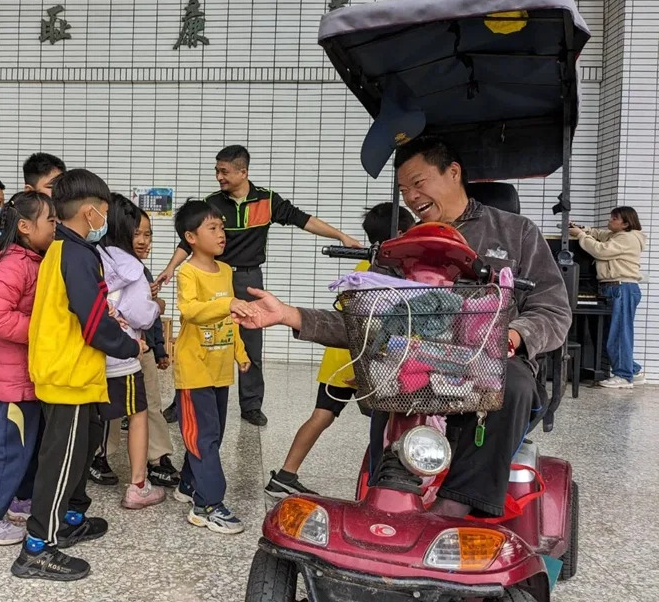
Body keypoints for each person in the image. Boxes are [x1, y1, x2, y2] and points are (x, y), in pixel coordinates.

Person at [236, 135, 571, 520]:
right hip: (415, 358)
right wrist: (288, 314)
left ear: (453, 172)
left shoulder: (516, 233)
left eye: (418, 182)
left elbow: (552, 308)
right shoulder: (400, 247)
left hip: (491, 359)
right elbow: (367, 320)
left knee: (510, 383)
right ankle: (390, 486)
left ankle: (459, 500)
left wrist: (513, 336)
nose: (411, 197)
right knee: (383, 371)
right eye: (403, 189)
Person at [156, 145, 361, 427]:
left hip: (250, 278)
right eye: (217, 171)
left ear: (243, 172)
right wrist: (171, 267)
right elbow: (187, 241)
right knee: (200, 338)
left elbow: (304, 220)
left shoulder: (267, 201)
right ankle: (181, 403)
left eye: (224, 171)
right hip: (216, 276)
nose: (218, 177)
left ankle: (251, 405)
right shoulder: (213, 202)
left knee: (251, 342)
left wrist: (341, 236)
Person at [12, 169, 145, 581]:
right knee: (61, 459)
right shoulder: (76, 254)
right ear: (90, 213)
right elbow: (91, 320)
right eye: (103, 212)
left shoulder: (65, 248)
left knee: (80, 451)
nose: (105, 221)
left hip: (78, 373)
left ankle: (68, 518)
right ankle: (37, 546)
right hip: (67, 375)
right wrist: (128, 345)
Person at [265, 202, 415, 498]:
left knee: (324, 414)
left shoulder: (367, 266)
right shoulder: (381, 272)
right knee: (371, 420)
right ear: (399, 234)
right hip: (354, 357)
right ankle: (385, 483)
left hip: (343, 356)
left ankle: (285, 475)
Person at [0, 192, 57, 545]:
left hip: (27, 373)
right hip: (13, 377)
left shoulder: (31, 259)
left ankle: (18, 500)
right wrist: (41, 329)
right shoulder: (16, 264)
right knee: (8, 449)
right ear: (24, 226)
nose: (55, 227)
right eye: (50, 221)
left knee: (25, 446)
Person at [171, 199, 256, 534]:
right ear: (191, 237)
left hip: (220, 368)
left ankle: (187, 484)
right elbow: (190, 311)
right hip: (194, 370)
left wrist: (241, 351)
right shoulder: (187, 272)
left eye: (221, 227)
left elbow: (231, 320)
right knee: (202, 436)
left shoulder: (226, 270)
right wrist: (227, 302)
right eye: (213, 228)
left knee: (214, 435)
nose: (222, 234)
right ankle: (207, 505)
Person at [92, 208, 180, 488]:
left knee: (150, 402)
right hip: (114, 349)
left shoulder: (139, 268)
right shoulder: (102, 263)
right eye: (136, 233)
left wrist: (159, 348)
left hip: (142, 349)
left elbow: (147, 318)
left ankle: (158, 458)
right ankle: (100, 455)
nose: (143, 240)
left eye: (148, 234)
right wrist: (158, 306)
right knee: (112, 408)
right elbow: (143, 312)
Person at [570, 207, 647, 388]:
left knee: (619, 333)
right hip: (615, 288)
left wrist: (581, 235)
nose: (610, 220)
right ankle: (632, 370)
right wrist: (584, 229)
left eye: (615, 218)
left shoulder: (627, 238)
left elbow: (600, 250)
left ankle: (623, 376)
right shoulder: (617, 235)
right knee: (612, 333)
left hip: (621, 287)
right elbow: (599, 234)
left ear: (626, 223)